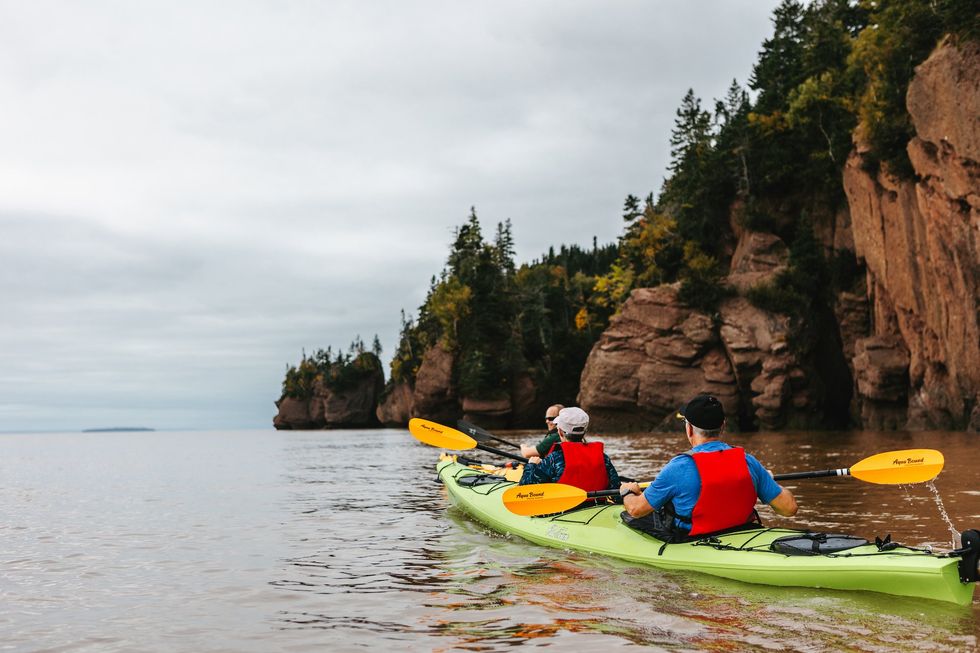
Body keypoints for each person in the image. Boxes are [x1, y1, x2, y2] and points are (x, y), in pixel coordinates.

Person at [620, 394, 797, 539]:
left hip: (691, 538)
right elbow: (789, 508)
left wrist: (627, 492)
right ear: (723, 426)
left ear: (689, 429)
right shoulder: (747, 461)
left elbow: (636, 510)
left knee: (628, 516)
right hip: (742, 531)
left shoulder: (678, 467)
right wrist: (768, 481)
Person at [519, 406, 620, 492]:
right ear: (584, 432)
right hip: (596, 507)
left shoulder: (554, 459)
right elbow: (616, 491)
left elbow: (524, 489)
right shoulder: (603, 458)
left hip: (563, 511)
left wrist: (531, 465)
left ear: (560, 432)